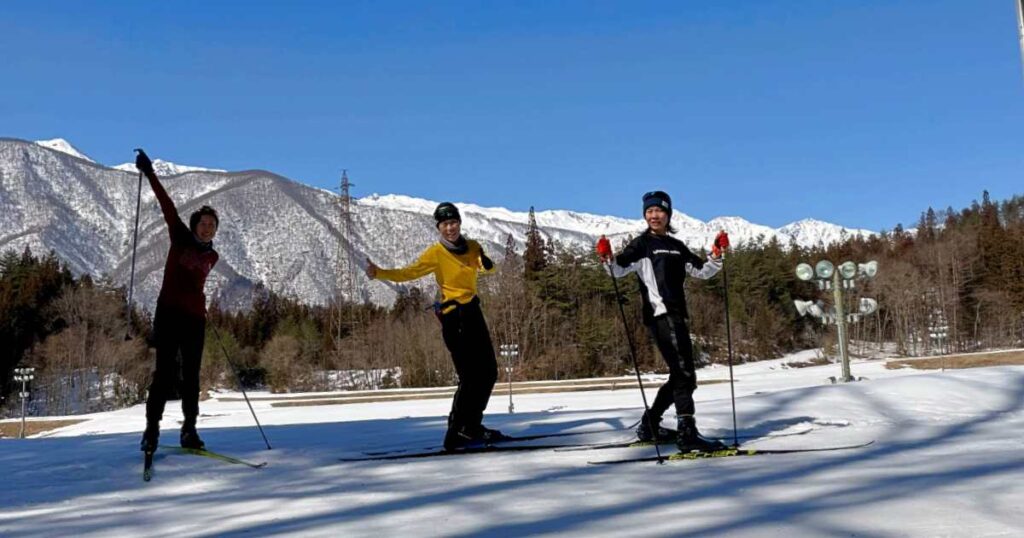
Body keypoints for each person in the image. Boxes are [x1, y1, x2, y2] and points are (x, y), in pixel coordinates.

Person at [597, 190, 730, 452]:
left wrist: (716, 254)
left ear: (668, 214)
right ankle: (686, 433)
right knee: (685, 374)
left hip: (677, 316)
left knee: (682, 376)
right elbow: (618, 269)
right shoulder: (642, 245)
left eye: (658, 210)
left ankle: (650, 425)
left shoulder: (677, 247)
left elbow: (702, 271)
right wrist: (607, 257)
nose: (654, 215)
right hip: (660, 315)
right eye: (649, 211)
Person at [366, 202, 503, 451]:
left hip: (473, 312)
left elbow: (487, 267)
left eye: (454, 222)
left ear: (459, 223)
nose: (450, 228)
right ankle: (456, 432)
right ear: (439, 227)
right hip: (453, 316)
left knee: (489, 372)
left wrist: (484, 262)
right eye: (445, 224)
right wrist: (380, 273)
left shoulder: (472, 246)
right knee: (469, 376)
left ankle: (471, 427)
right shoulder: (436, 253)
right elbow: (409, 273)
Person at [136, 149, 220, 453]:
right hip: (169, 314)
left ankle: (189, 430)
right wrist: (149, 173)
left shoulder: (212, 256)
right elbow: (166, 204)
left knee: (192, 377)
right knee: (164, 373)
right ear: (194, 224)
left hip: (195, 320)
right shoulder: (180, 236)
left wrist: (202, 306)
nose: (207, 227)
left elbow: (195, 285)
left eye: (212, 225)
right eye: (203, 223)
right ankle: (151, 430)